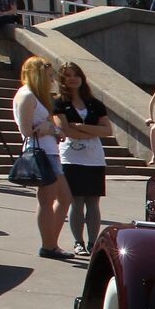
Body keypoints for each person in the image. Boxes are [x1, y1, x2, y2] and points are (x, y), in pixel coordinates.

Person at [12, 57, 73, 259]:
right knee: (47, 199)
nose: (50, 79)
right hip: (41, 153)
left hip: (50, 152)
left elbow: (45, 125)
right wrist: (48, 129)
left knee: (64, 198)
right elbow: (26, 130)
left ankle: (51, 243)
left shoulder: (36, 95)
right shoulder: (27, 95)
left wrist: (54, 130)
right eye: (47, 76)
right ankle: (49, 246)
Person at [53, 61, 111, 258]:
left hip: (94, 158)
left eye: (76, 74)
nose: (72, 78)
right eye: (68, 75)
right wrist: (89, 130)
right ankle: (78, 242)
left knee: (93, 201)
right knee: (76, 201)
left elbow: (107, 130)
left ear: (82, 78)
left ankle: (94, 242)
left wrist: (80, 127)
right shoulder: (59, 103)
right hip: (71, 157)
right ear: (62, 80)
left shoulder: (95, 104)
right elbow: (66, 130)